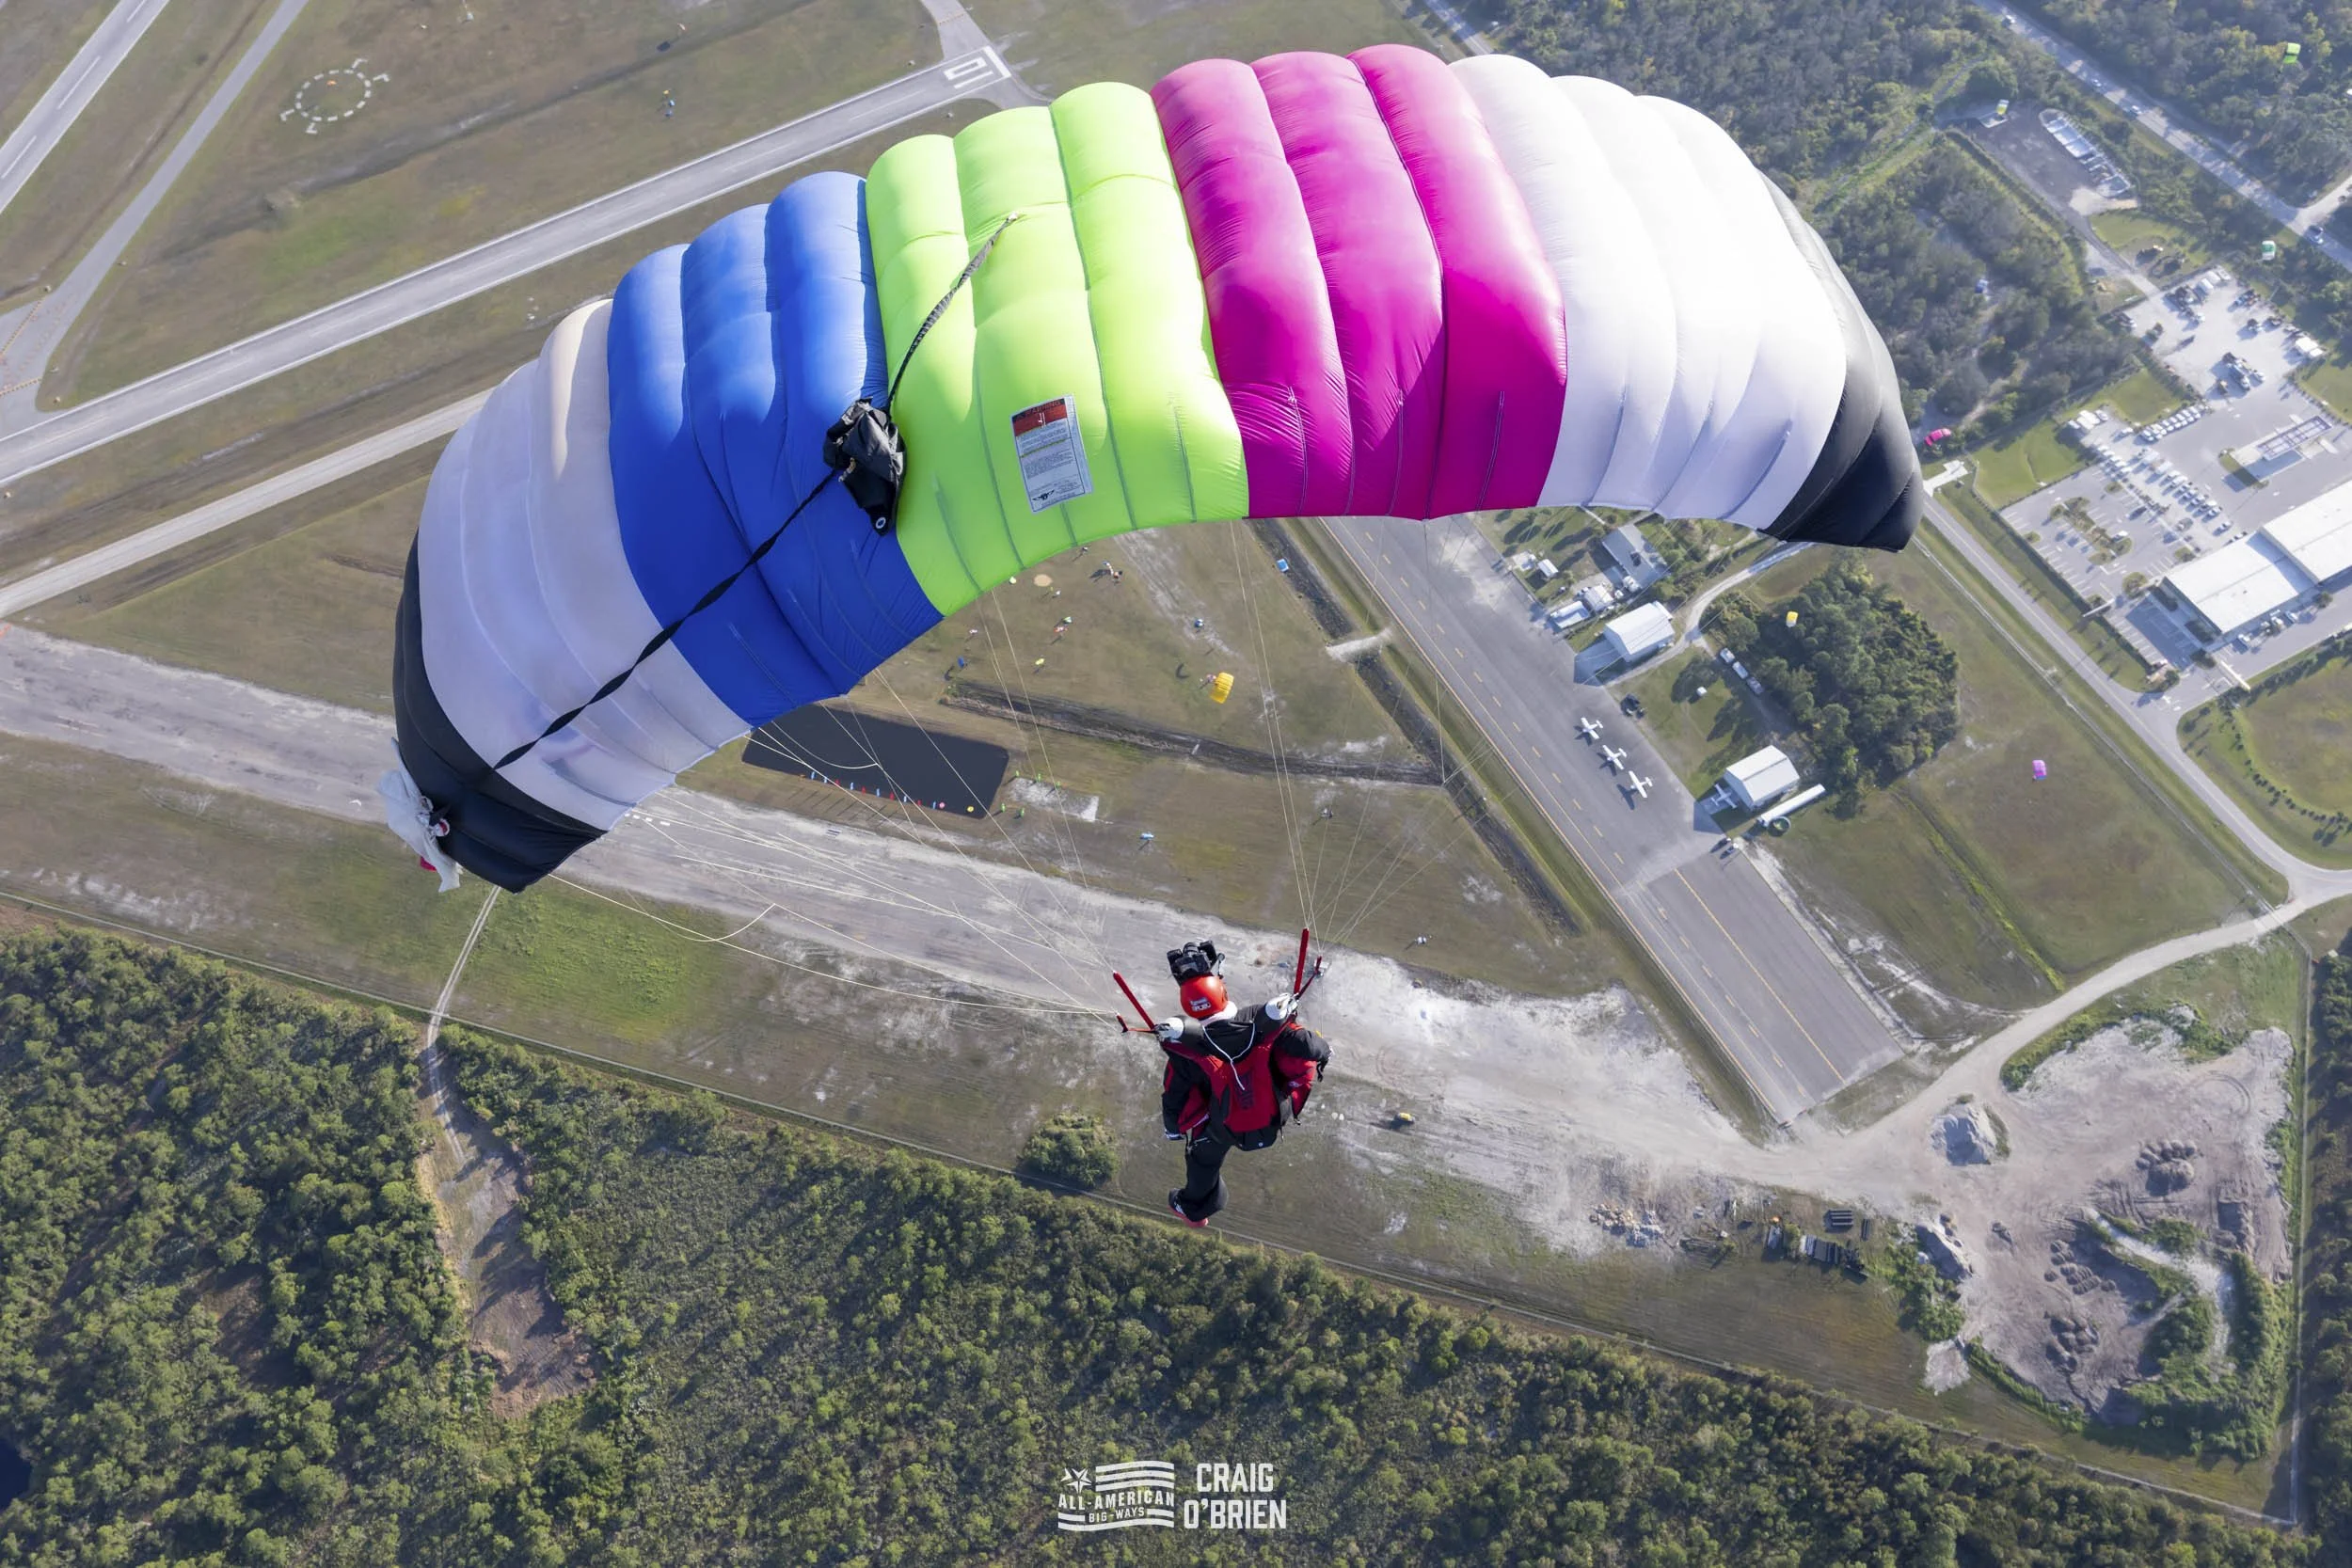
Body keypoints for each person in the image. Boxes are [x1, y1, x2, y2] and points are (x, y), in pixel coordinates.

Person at [1153, 939, 1329, 1227]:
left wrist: (1172, 1129)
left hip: (1224, 1128)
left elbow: (1174, 1095)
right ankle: (1196, 1208)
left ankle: (1196, 1210)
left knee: (1201, 1161)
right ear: (1222, 991)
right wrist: (1325, 1052)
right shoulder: (1258, 1021)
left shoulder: (1187, 1051)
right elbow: (1306, 1045)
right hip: (1274, 1114)